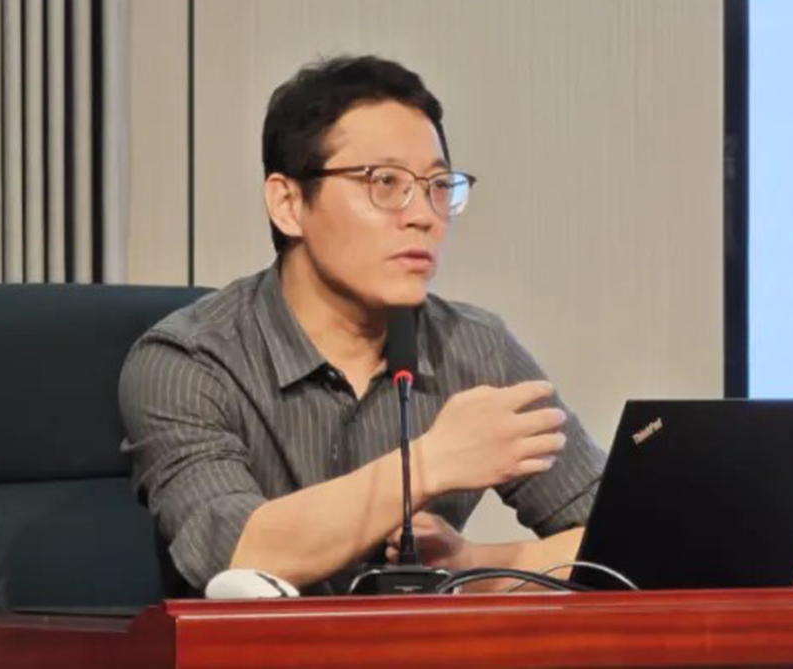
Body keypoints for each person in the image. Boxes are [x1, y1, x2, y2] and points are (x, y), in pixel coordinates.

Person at [120, 55, 604, 594]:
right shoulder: (188, 362)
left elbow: (626, 542)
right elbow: (237, 558)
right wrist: (429, 463)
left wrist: (470, 565)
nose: (422, 215)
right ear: (288, 204)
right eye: (385, 182)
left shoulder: (473, 347)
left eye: (437, 186)